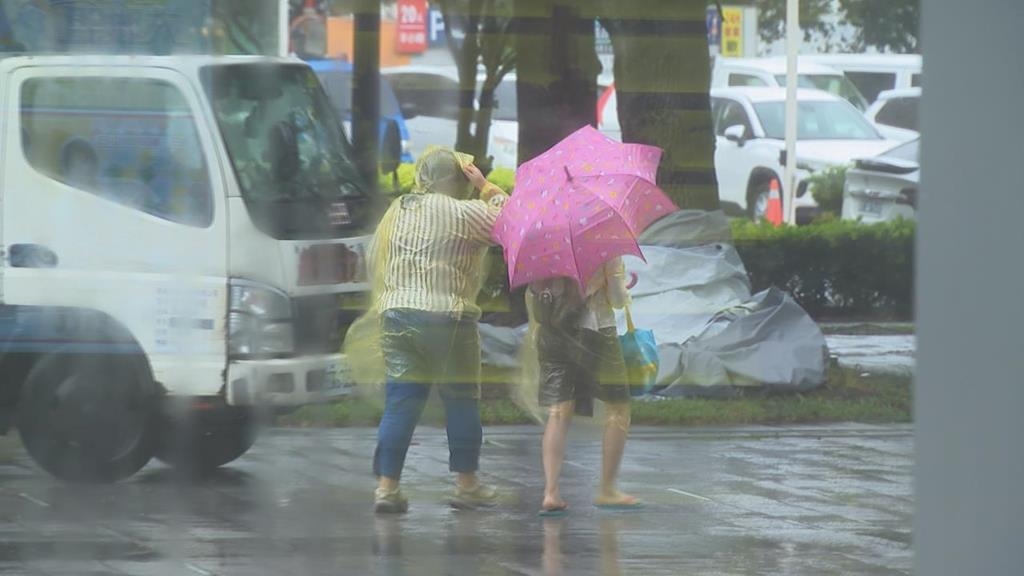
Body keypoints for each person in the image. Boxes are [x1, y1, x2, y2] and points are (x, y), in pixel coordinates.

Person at [369, 146, 508, 514]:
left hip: (396, 314)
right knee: (461, 399)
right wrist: (486, 187)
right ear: (457, 179)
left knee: (401, 402)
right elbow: (511, 222)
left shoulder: (397, 210)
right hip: (447, 318)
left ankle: (387, 488)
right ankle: (467, 485)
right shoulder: (464, 213)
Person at [528, 257, 638, 515]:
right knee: (618, 407)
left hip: (552, 332)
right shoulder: (603, 246)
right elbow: (617, 299)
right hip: (595, 330)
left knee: (558, 411)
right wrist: (623, 289)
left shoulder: (542, 247)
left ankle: (551, 492)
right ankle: (607, 489)